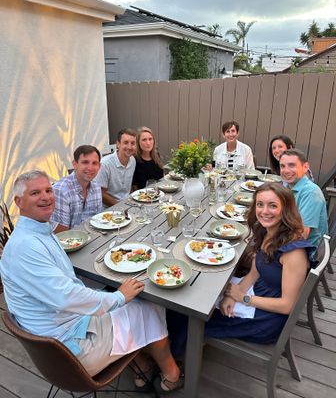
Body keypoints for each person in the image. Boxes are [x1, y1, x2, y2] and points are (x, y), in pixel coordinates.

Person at [0, 171, 184, 392]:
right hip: (71, 352)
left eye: (48, 190)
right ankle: (172, 376)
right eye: (35, 193)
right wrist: (118, 297)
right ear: (18, 202)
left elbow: (64, 292)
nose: (46, 197)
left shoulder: (33, 234)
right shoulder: (26, 247)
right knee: (151, 305)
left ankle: (141, 370)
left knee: (119, 296)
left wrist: (114, 297)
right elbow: (66, 296)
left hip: (61, 332)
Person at [168, 183, 315, 353]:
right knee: (189, 298)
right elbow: (254, 273)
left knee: (188, 315)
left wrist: (242, 298)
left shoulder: (294, 252)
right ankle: (178, 348)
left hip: (265, 319)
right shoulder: (268, 231)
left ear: (286, 209)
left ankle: (174, 367)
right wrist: (233, 295)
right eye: (260, 204)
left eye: (273, 205)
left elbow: (287, 305)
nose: (264, 211)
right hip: (256, 294)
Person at [279, 149, 328, 252]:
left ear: (305, 167)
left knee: (248, 255)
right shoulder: (289, 187)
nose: (286, 170)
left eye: (291, 165)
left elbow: (301, 235)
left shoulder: (311, 192)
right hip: (289, 239)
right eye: (282, 166)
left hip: (305, 251)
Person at [51, 145, 102, 233]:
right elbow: (61, 234)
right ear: (75, 164)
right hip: (69, 242)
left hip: (92, 237)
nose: (90, 168)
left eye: (94, 163)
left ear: (99, 166)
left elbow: (98, 221)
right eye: (85, 162)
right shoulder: (61, 190)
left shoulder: (96, 187)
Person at [96, 129, 137, 206]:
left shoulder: (132, 160)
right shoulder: (105, 164)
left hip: (127, 204)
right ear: (118, 144)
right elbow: (101, 193)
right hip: (108, 209)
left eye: (132, 143)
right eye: (126, 143)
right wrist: (120, 205)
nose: (129, 147)